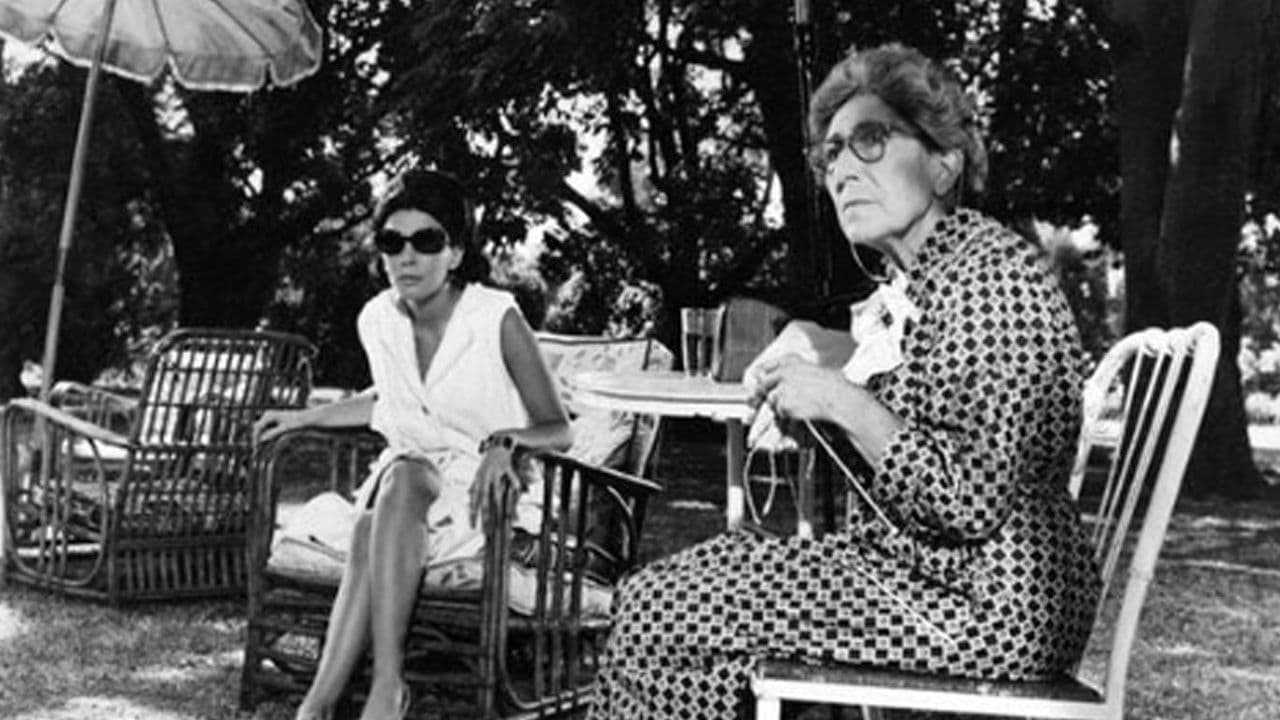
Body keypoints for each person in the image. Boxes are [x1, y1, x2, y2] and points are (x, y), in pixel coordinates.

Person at [586, 42, 1100, 719]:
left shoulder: (989, 283)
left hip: (986, 604)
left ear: (943, 163)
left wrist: (841, 400)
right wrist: (825, 389)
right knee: (681, 582)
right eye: (832, 154)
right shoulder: (939, 278)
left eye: (872, 141)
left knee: (660, 611)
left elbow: (966, 499)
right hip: (939, 580)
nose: (844, 170)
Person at [254, 170, 572, 720]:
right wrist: (304, 417)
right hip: (408, 487)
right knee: (388, 495)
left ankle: (359, 694)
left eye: (427, 241)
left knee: (386, 501)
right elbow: (389, 398)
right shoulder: (377, 319)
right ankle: (342, 701)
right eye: (392, 242)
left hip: (487, 493)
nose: (408, 257)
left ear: (456, 253)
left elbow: (557, 427)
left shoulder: (495, 317)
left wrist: (506, 443)